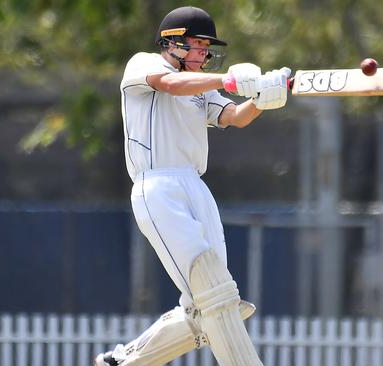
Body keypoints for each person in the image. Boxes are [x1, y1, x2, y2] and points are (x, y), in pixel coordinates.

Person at [94, 5, 288, 366]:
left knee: (212, 302)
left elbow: (233, 117)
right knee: (213, 293)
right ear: (173, 43)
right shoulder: (143, 64)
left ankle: (123, 362)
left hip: (195, 186)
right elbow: (169, 85)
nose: (203, 54)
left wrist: (263, 99)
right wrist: (227, 79)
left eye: (206, 48)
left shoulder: (201, 86)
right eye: (197, 45)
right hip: (157, 187)